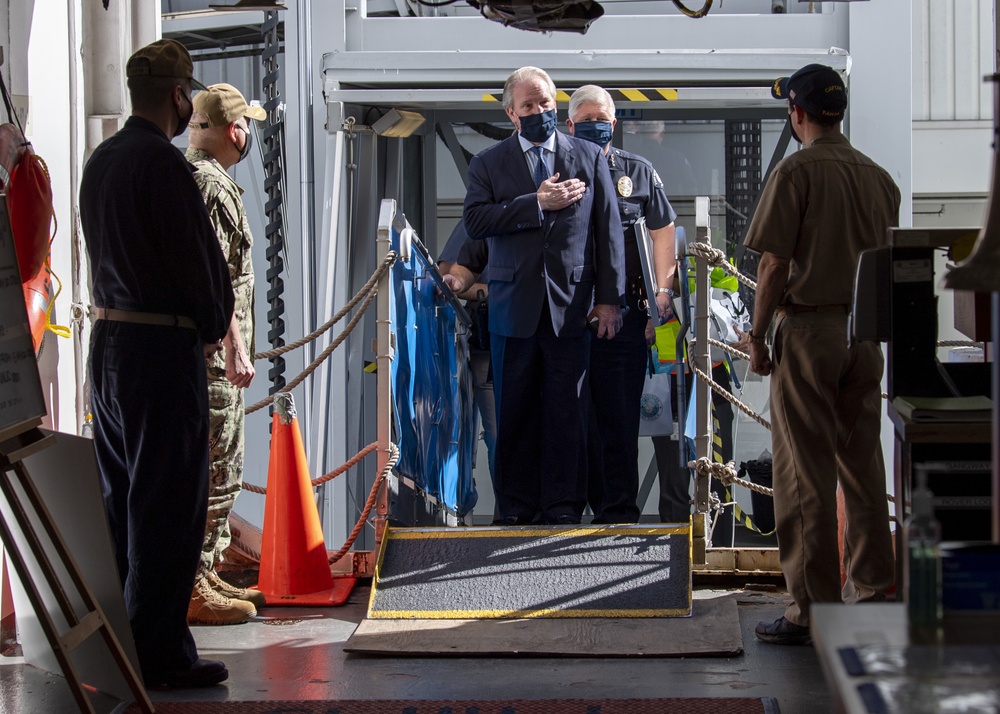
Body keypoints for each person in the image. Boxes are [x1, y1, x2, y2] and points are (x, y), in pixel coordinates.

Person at [80, 39, 235, 687]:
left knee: (120, 502)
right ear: (178, 97)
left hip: (109, 346)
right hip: (161, 353)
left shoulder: (102, 160)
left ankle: (119, 648)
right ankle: (163, 655)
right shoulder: (165, 167)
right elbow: (199, 270)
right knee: (170, 505)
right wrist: (212, 323)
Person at [742, 64, 900, 645]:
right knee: (863, 467)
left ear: (799, 114)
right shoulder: (880, 179)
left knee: (805, 474)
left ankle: (811, 611)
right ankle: (874, 590)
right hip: (865, 337)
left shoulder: (795, 172)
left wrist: (758, 337)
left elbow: (773, 264)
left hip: (808, 336)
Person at [462, 66, 625, 525]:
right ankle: (515, 509)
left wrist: (609, 299)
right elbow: (476, 222)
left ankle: (563, 507)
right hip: (513, 310)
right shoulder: (488, 163)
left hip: (569, 308)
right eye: (529, 105)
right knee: (515, 415)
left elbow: (607, 232)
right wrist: (536, 202)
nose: (539, 112)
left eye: (547, 103)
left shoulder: (588, 156)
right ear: (512, 113)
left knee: (567, 414)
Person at [564, 85, 677, 524]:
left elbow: (663, 233)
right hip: (567, 322)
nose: (596, 125)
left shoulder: (638, 171)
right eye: (586, 118)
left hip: (626, 321)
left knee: (619, 424)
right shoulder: (553, 168)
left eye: (603, 118)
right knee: (574, 425)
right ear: (570, 124)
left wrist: (660, 298)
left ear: (615, 123)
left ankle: (618, 516)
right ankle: (571, 513)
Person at [185, 83, 267, 625]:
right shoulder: (210, 186)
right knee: (217, 466)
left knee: (218, 464)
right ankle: (194, 586)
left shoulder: (194, 178)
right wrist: (234, 348)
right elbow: (214, 278)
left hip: (211, 353)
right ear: (234, 129)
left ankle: (205, 570)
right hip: (213, 357)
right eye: (245, 127)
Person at [437, 222, 497, 493]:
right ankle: (509, 513)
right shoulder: (482, 215)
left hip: (552, 337)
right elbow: (445, 276)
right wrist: (498, 292)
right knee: (500, 434)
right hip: (491, 337)